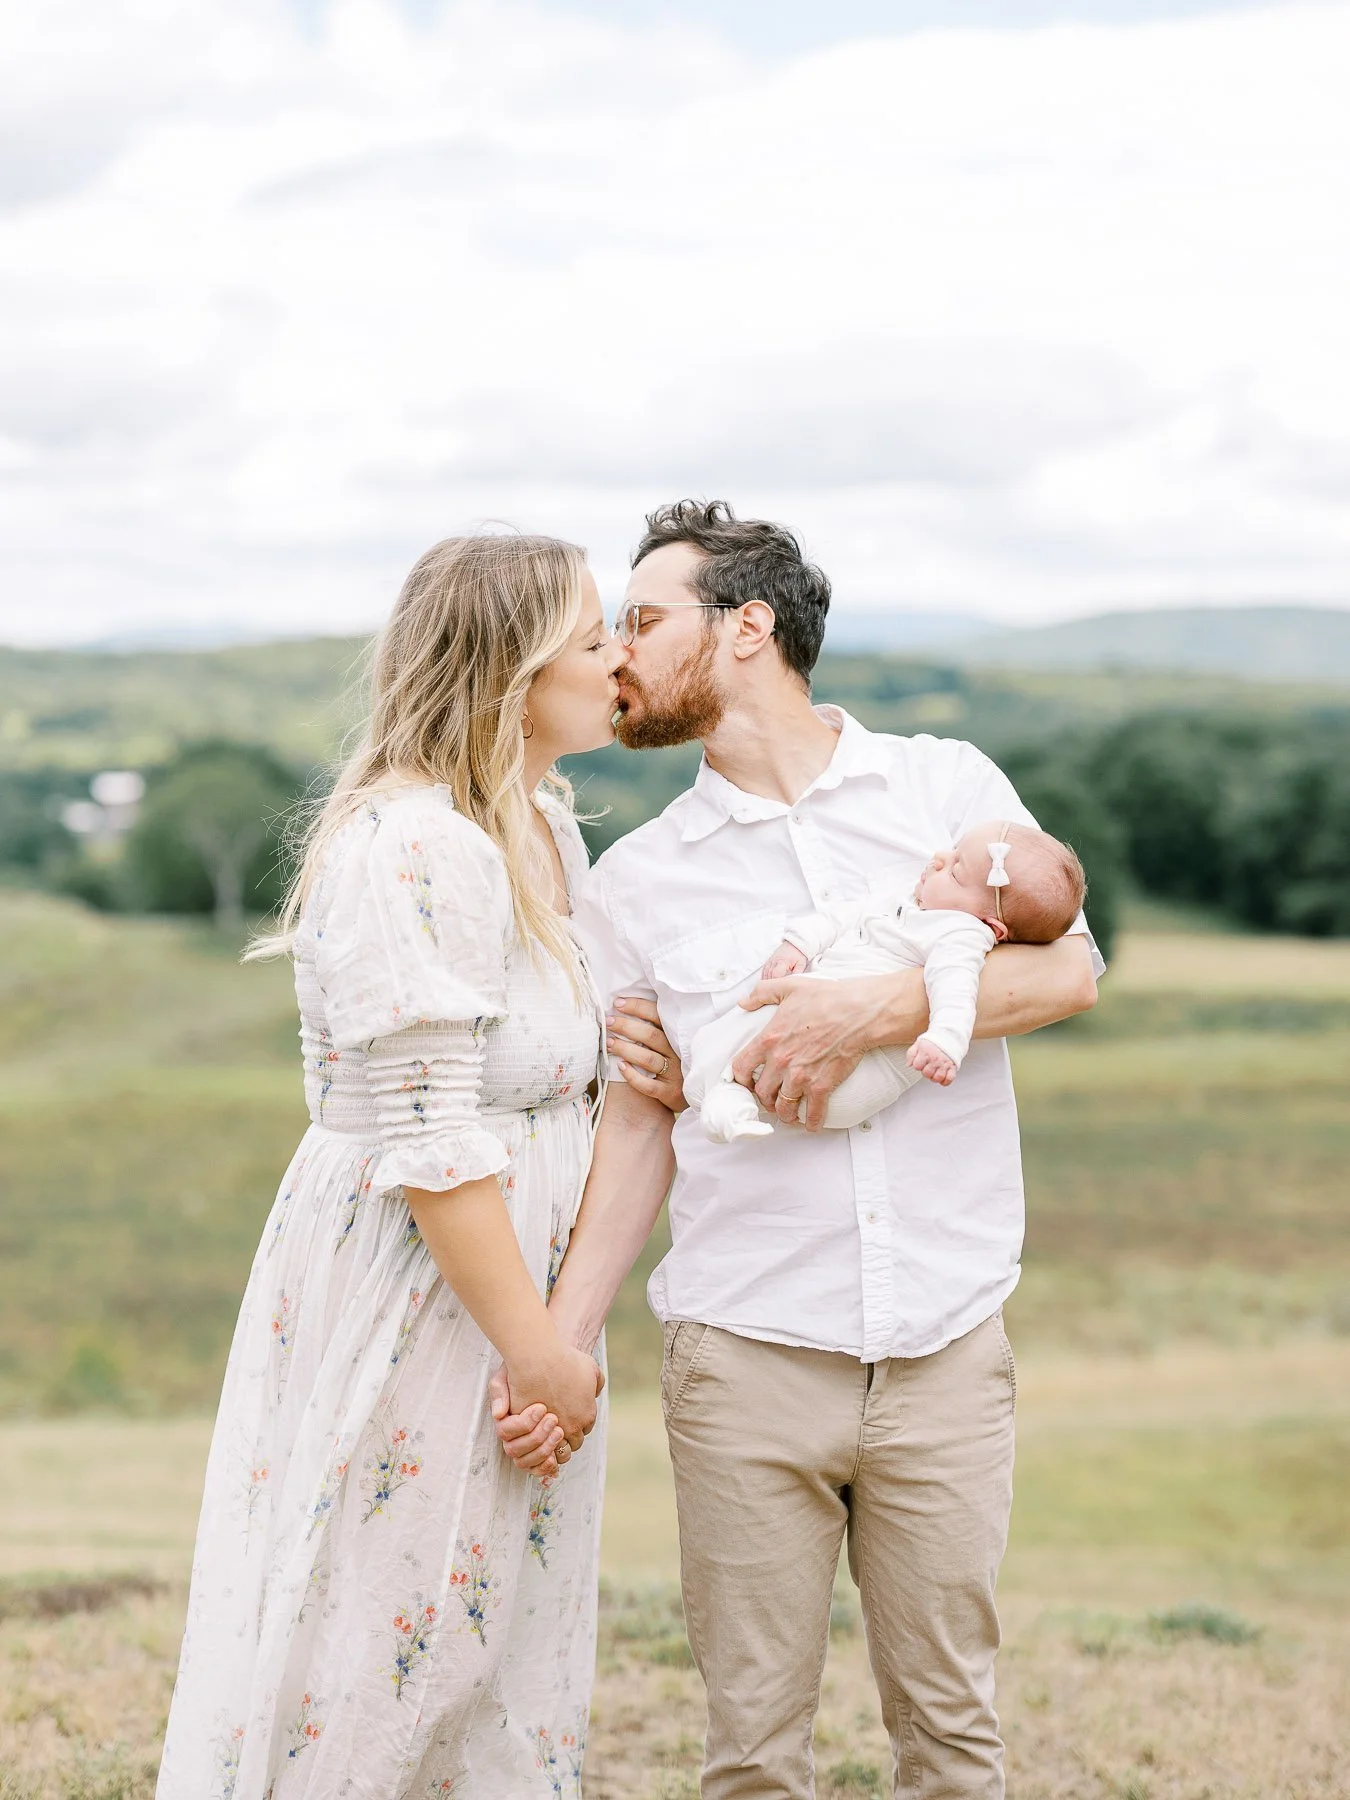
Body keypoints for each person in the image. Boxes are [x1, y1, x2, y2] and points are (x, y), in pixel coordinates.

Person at [495, 500, 1103, 1800]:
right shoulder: (638, 880)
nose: (616, 655)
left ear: (747, 627)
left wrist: (875, 1008)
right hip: (744, 1357)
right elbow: (638, 1126)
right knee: (751, 1758)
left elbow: (1072, 970)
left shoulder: (944, 789)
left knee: (951, 1743)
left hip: (946, 1346)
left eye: (643, 621)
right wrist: (560, 1343)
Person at [156, 533, 681, 1800]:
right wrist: (540, 1356)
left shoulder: (547, 827)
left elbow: (570, 1065)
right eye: (594, 633)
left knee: (494, 1626)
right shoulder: (414, 846)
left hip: (526, 1295)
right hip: (432, 1292)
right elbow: (431, 1138)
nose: (618, 656)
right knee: (392, 1624)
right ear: (513, 669)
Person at [687, 820, 1087, 1140]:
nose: (937, 859)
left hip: (865, 1073)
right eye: (951, 851)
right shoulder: (907, 901)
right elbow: (844, 916)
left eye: (955, 869)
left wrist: (944, 1040)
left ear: (990, 925)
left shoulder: (959, 934)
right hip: (822, 1015)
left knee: (748, 1042)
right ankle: (730, 1100)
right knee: (728, 1040)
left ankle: (728, 1095)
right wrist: (798, 946)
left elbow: (956, 989)